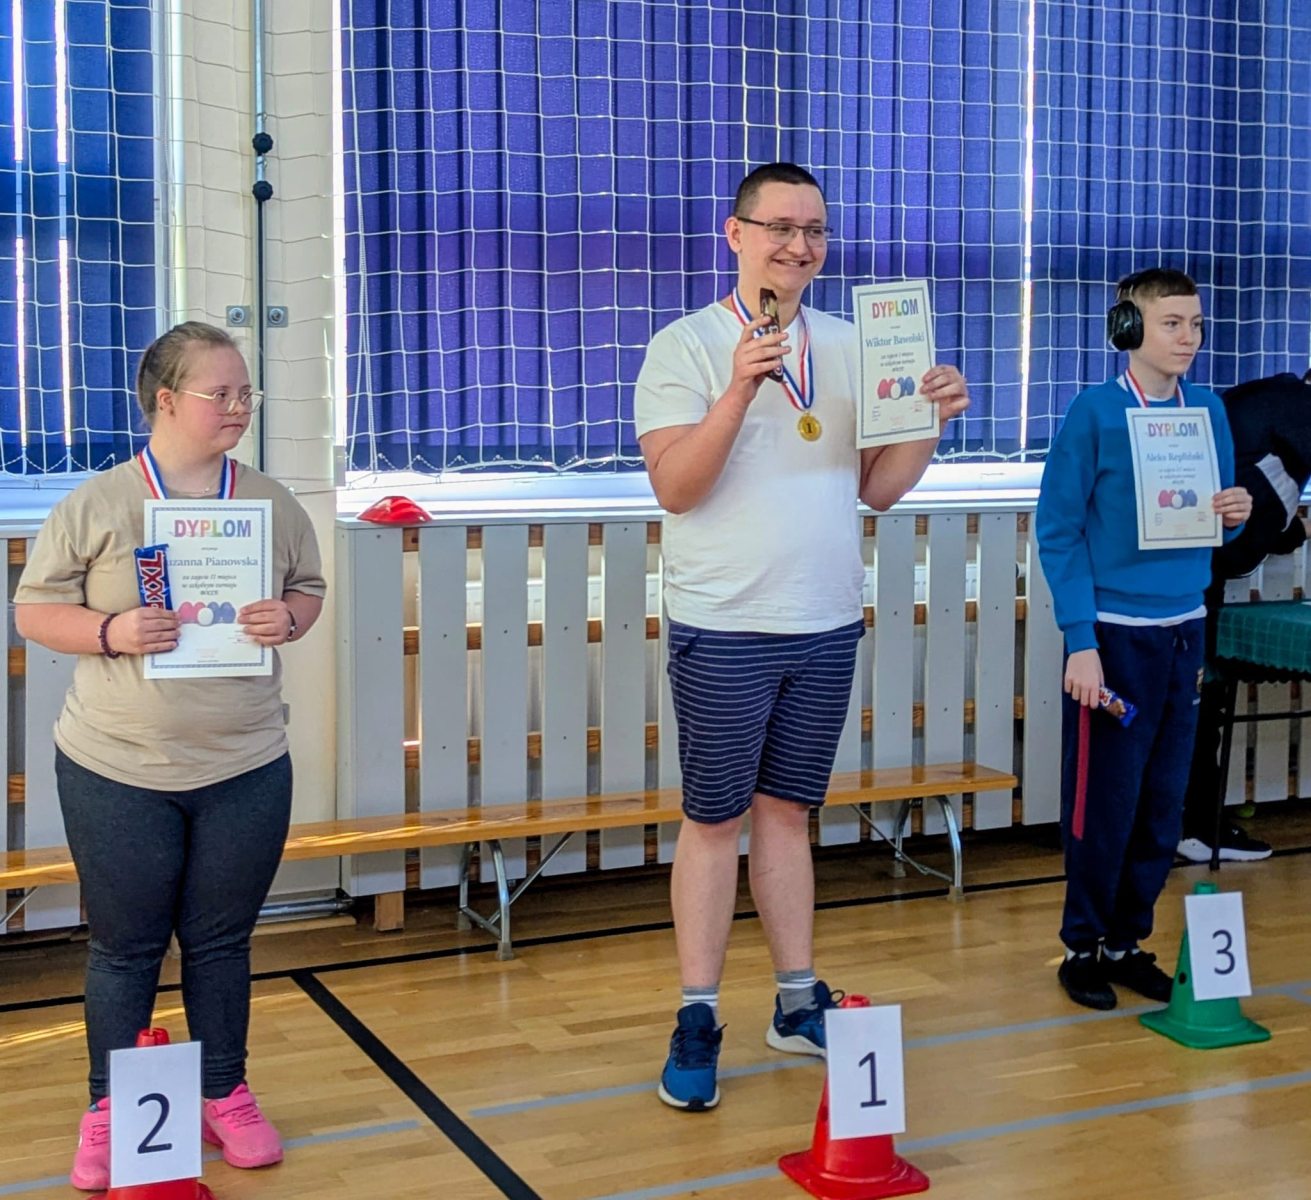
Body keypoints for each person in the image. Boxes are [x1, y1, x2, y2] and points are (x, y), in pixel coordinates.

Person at [633, 162, 969, 1110]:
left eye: (814, 229)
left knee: (786, 814)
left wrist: (928, 418)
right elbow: (675, 489)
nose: (798, 245)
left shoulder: (854, 344)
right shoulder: (683, 346)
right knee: (713, 821)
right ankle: (697, 1014)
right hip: (724, 622)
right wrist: (738, 390)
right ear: (734, 234)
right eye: (779, 227)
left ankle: (794, 998)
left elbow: (877, 489)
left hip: (823, 619)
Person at [14, 321, 326, 1190]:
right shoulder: (97, 504)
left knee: (222, 942)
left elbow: (307, 589)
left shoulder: (269, 501)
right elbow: (34, 611)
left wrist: (288, 618)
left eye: (245, 392)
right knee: (126, 947)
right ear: (165, 400)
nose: (239, 406)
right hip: (118, 767)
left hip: (245, 764)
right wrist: (110, 631)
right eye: (220, 393)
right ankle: (111, 1107)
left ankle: (224, 1091)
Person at [1036, 269, 1251, 1011]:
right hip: (1114, 638)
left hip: (1184, 631)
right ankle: (1082, 946)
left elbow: (1216, 524)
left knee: (1162, 803)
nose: (1188, 338)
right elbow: (1058, 532)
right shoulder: (1093, 413)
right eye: (1171, 323)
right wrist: (1080, 641)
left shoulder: (1208, 412)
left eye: (1195, 324)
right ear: (1128, 329)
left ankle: (1128, 940)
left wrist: (1235, 513)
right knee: (1105, 802)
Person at [1177, 367, 1311, 863]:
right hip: (1187, 578)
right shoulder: (1296, 408)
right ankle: (1197, 826)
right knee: (1196, 702)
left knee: (1191, 703)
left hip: (1183, 569)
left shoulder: (1269, 399)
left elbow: (1256, 494)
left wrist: (1291, 531)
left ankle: (1186, 823)